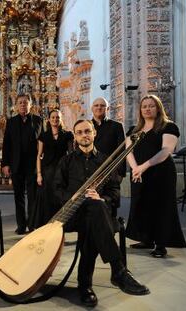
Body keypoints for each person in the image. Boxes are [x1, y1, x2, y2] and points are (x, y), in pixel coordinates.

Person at [54, 119, 150, 307]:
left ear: (94, 133)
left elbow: (114, 194)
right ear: (75, 136)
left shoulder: (106, 161)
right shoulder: (66, 161)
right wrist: (74, 197)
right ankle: (118, 271)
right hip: (73, 215)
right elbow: (56, 190)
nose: (84, 135)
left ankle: (85, 285)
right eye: (80, 132)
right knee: (94, 214)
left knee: (95, 211)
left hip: (99, 213)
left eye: (87, 131)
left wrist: (101, 199)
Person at [125, 94, 186, 258]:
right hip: (139, 173)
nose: (147, 109)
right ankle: (146, 239)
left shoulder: (168, 127)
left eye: (151, 105)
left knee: (161, 207)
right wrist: (135, 168)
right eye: (144, 106)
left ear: (158, 108)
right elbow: (128, 151)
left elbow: (166, 151)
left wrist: (143, 167)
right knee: (141, 205)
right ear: (140, 110)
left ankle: (161, 244)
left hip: (161, 173)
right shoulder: (134, 130)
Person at [1, 94, 43, 234]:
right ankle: (21, 225)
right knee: (18, 196)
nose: (23, 105)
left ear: (31, 104)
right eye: (20, 103)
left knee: (32, 197)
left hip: (33, 165)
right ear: (16, 105)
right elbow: (7, 144)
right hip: (16, 164)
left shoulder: (38, 121)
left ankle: (31, 225)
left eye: (26, 102)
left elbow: (43, 143)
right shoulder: (11, 122)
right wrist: (5, 164)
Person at [31, 109, 73, 228]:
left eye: (58, 117)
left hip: (62, 171)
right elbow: (39, 155)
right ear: (49, 120)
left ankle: (60, 226)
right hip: (47, 171)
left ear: (61, 119)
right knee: (46, 199)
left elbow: (71, 155)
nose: (55, 119)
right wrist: (39, 174)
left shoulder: (68, 135)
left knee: (60, 198)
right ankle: (46, 227)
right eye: (53, 117)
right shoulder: (43, 136)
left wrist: (70, 172)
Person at [91, 97, 126, 217]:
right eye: (96, 105)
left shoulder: (116, 126)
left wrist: (120, 173)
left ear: (108, 108)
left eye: (102, 105)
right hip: (90, 172)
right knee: (90, 207)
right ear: (92, 108)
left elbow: (122, 151)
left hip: (111, 173)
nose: (99, 107)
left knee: (110, 207)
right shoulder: (87, 126)